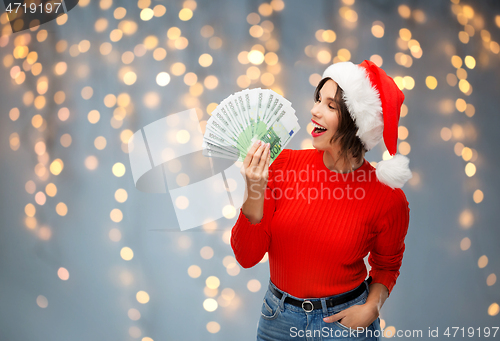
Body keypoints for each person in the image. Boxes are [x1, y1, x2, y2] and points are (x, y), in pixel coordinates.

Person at [230, 60, 412, 341]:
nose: (314, 111)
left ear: (356, 122)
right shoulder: (283, 165)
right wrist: (254, 189)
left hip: (345, 325)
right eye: (318, 99)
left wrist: (371, 310)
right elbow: (246, 256)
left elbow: (387, 265)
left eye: (330, 106)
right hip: (277, 320)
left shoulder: (388, 198)